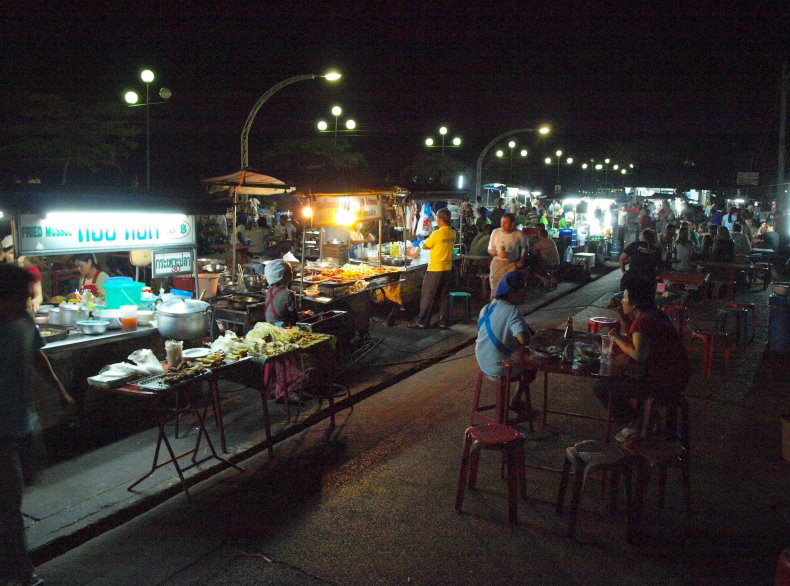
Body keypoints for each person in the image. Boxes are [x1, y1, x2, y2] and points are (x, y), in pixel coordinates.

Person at [1, 264, 74, 586]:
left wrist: (59, 391)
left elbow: (36, 355)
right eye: (24, 297)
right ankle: (20, 570)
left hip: (23, 423)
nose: (29, 303)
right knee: (9, 505)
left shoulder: (22, 320)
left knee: (13, 498)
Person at [594, 274, 690, 442]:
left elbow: (639, 354)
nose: (622, 301)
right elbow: (633, 336)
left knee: (602, 386)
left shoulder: (644, 323)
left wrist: (615, 337)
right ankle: (644, 419)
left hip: (665, 381)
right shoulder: (654, 314)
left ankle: (635, 422)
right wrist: (620, 313)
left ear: (635, 303)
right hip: (678, 376)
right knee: (625, 375)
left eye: (624, 298)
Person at [474, 270, 536, 418]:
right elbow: (524, 340)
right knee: (531, 368)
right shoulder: (513, 311)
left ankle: (513, 402)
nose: (525, 293)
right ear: (512, 293)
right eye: (522, 290)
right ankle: (515, 400)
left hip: (482, 362)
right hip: (500, 367)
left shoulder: (486, 308)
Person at [409, 208, 455, 329]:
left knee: (427, 296)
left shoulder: (437, 233)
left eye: (437, 218)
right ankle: (443, 321)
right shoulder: (452, 232)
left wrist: (420, 244)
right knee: (444, 296)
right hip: (447, 268)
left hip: (435, 269)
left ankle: (422, 322)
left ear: (440, 219)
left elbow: (425, 245)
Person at [487, 213, 528, 299]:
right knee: (495, 289)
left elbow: (525, 247)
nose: (503, 225)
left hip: (511, 264)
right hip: (497, 264)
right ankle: (494, 306)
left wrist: (522, 259)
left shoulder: (518, 234)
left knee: (509, 289)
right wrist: (497, 253)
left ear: (513, 223)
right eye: (502, 222)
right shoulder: (495, 232)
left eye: (506, 223)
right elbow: (490, 250)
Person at [263, 260, 298, 326]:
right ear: (285, 275)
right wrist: (303, 315)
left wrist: (301, 313)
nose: (292, 273)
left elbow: (280, 311)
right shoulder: (289, 294)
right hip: (282, 329)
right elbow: (294, 319)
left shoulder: (269, 291)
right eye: (290, 271)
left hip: (269, 326)